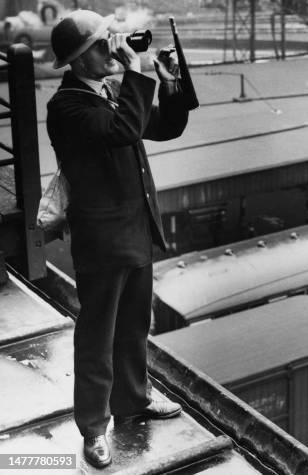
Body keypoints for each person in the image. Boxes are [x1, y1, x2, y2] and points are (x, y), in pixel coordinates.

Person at [47, 10, 189, 468]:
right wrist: (136, 70)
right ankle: (93, 428)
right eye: (102, 44)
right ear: (77, 60)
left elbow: (165, 127)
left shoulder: (109, 92)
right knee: (96, 337)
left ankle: (133, 400)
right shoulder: (67, 106)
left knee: (133, 327)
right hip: (103, 239)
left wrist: (166, 82)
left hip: (135, 230)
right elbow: (123, 130)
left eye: (113, 40)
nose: (113, 48)